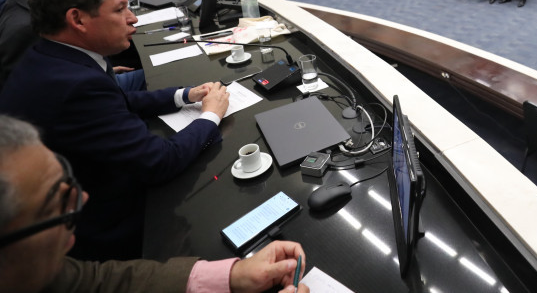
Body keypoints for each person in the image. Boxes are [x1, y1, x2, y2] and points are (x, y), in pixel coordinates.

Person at [0, 0, 231, 261]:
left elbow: (116, 101)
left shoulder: (53, 57)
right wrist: (210, 116)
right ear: (78, 19)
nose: (133, 18)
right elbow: (159, 161)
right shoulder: (75, 85)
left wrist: (183, 96)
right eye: (120, 9)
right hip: (105, 232)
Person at [0, 115, 308, 293]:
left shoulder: (42, 270)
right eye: (54, 201)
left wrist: (232, 275)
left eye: (67, 180)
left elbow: (98, 282)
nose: (82, 199)